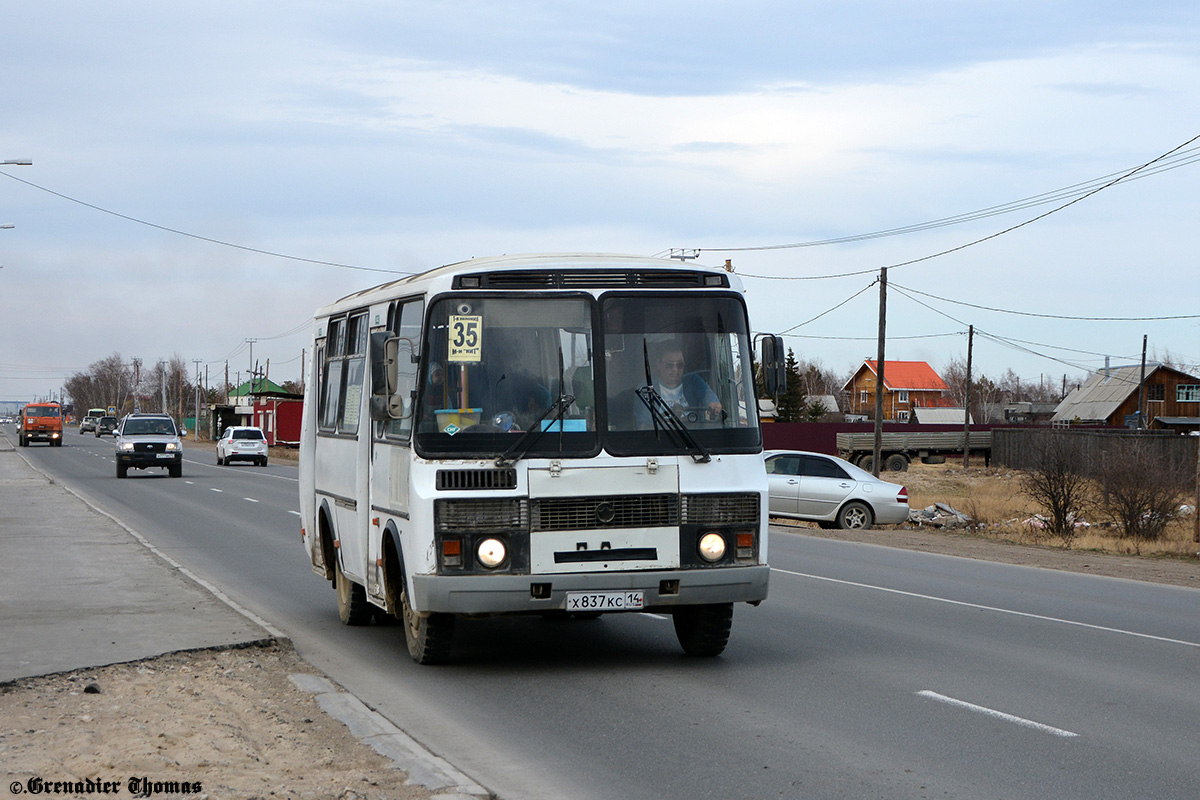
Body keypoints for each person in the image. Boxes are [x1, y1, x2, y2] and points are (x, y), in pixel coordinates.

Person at [635, 341, 722, 427]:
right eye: (669, 365)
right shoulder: (646, 389)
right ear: (658, 364)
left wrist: (713, 404)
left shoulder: (693, 380)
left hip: (693, 438)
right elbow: (643, 427)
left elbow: (706, 394)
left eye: (679, 365)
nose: (675, 369)